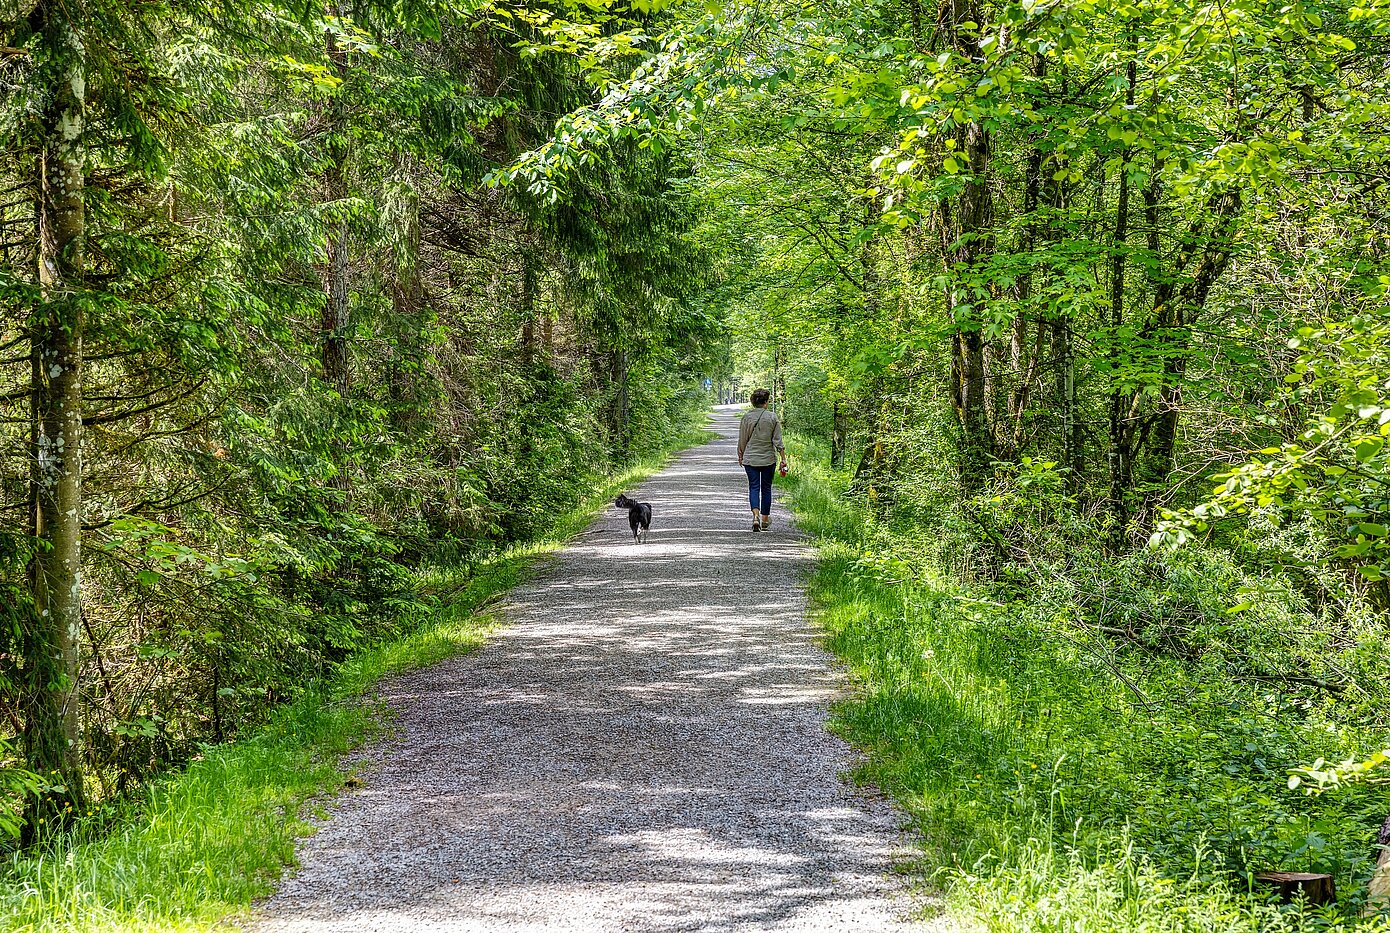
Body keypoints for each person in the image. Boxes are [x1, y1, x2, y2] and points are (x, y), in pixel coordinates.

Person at [736, 388, 787, 532]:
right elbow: (778, 441)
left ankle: (755, 516)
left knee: (753, 487)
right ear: (766, 402)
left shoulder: (747, 417)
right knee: (766, 488)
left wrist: (741, 455)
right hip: (768, 459)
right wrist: (783, 459)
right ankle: (765, 520)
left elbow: (742, 439)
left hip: (750, 459)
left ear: (753, 402)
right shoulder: (772, 417)